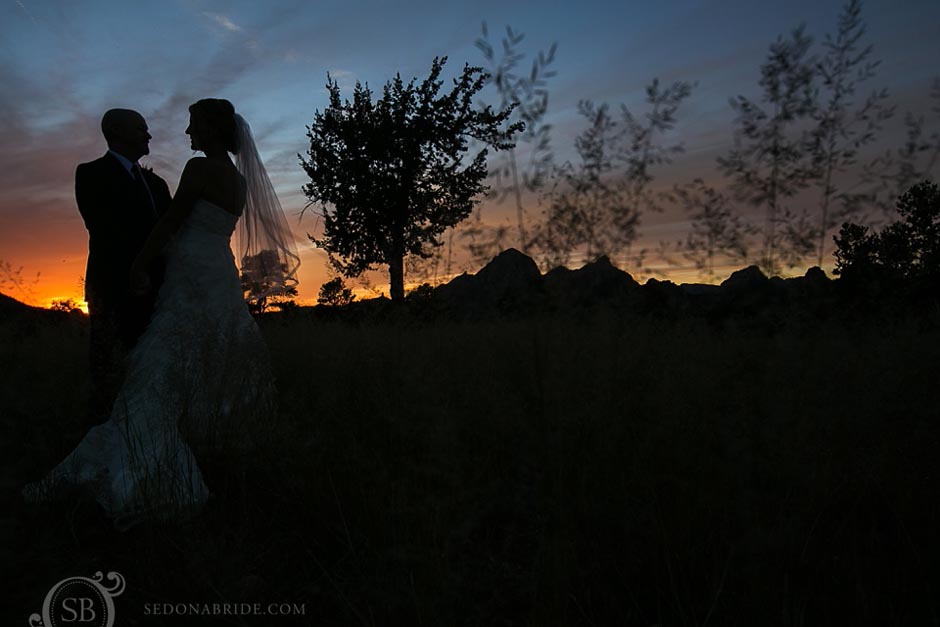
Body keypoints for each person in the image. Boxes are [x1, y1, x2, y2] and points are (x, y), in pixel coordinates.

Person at [23, 99, 299, 530]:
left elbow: (170, 222)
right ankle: (200, 432)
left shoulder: (189, 173)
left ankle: (145, 449)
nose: (181, 133)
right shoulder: (239, 181)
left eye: (192, 125)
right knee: (208, 349)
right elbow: (113, 227)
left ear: (209, 128)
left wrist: (142, 265)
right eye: (143, 130)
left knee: (167, 358)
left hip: (182, 273)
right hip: (211, 276)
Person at [76, 109, 172, 421]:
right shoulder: (90, 173)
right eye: (141, 128)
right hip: (111, 286)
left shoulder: (156, 184)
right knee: (107, 367)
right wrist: (136, 268)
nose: (149, 135)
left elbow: (168, 228)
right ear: (117, 132)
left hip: (156, 290)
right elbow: (103, 228)